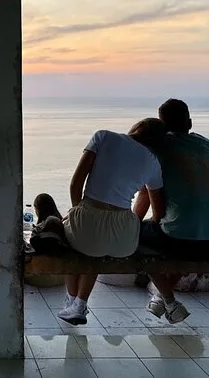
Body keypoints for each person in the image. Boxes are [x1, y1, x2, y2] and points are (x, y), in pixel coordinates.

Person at [54, 118, 167, 325]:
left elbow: (75, 184)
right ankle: (79, 303)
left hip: (89, 218)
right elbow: (158, 212)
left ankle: (72, 301)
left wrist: (78, 211)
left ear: (139, 127)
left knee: (73, 240)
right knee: (98, 245)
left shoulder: (104, 136)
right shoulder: (153, 162)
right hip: (124, 239)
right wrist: (131, 223)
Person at [134, 99, 209, 324]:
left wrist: (133, 225)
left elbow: (147, 196)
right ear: (190, 123)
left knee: (133, 238)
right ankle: (161, 298)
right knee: (181, 229)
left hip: (181, 240)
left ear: (162, 126)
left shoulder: (159, 150)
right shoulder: (205, 145)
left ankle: (168, 300)